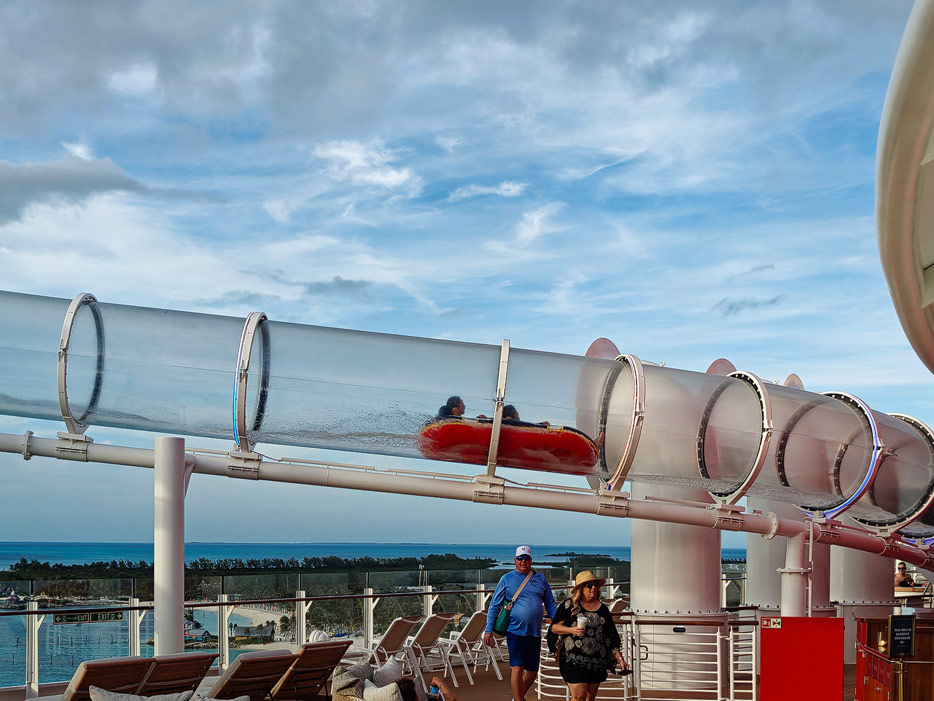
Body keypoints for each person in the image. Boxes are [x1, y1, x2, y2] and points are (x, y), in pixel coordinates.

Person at [484, 545, 557, 701]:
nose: (523, 561)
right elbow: (494, 605)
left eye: (526, 558)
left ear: (531, 560)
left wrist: (557, 623)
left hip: (534, 632)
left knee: (532, 670)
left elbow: (550, 603)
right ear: (515, 560)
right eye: (520, 558)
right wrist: (488, 630)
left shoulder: (540, 579)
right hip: (514, 631)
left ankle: (518, 698)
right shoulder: (507, 579)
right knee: (517, 668)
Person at [548, 571, 628, 701]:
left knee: (590, 697)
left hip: (596, 661)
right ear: (581, 588)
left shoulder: (603, 609)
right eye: (589, 585)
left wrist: (620, 658)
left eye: (595, 584)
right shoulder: (570, 605)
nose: (593, 588)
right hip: (572, 658)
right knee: (579, 696)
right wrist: (571, 630)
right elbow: (555, 627)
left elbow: (611, 636)